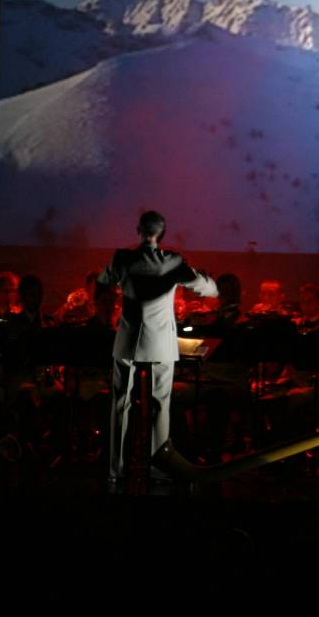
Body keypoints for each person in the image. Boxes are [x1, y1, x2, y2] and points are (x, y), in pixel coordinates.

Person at [98, 210, 218, 490]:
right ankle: (159, 468)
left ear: (138, 230)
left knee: (119, 405)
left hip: (127, 340)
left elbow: (103, 281)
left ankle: (115, 470)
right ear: (162, 234)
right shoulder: (173, 261)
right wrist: (206, 281)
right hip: (161, 344)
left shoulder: (123, 258)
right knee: (160, 406)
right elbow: (208, 289)